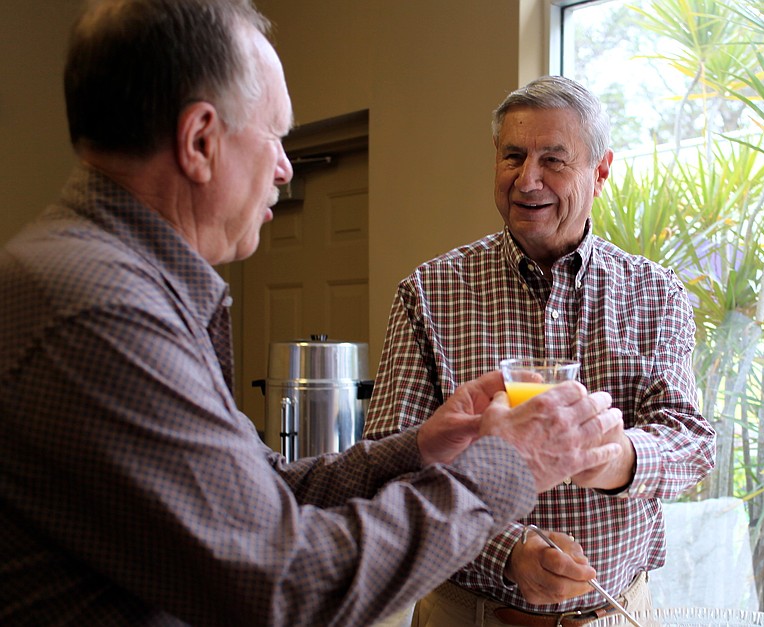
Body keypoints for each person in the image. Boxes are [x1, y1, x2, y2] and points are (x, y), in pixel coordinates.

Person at [0, 4, 629, 626]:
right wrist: (508, 468)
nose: (285, 167)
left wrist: (419, 449)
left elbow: (261, 493)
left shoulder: (112, 283)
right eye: (275, 135)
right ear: (199, 142)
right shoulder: (100, 310)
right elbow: (284, 585)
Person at [364, 75, 717, 627]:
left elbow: (690, 441)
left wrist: (619, 460)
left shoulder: (656, 292)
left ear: (600, 172)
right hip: (470, 615)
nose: (528, 180)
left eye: (554, 160)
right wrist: (506, 552)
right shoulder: (429, 292)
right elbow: (391, 463)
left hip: (619, 614)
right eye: (513, 156)